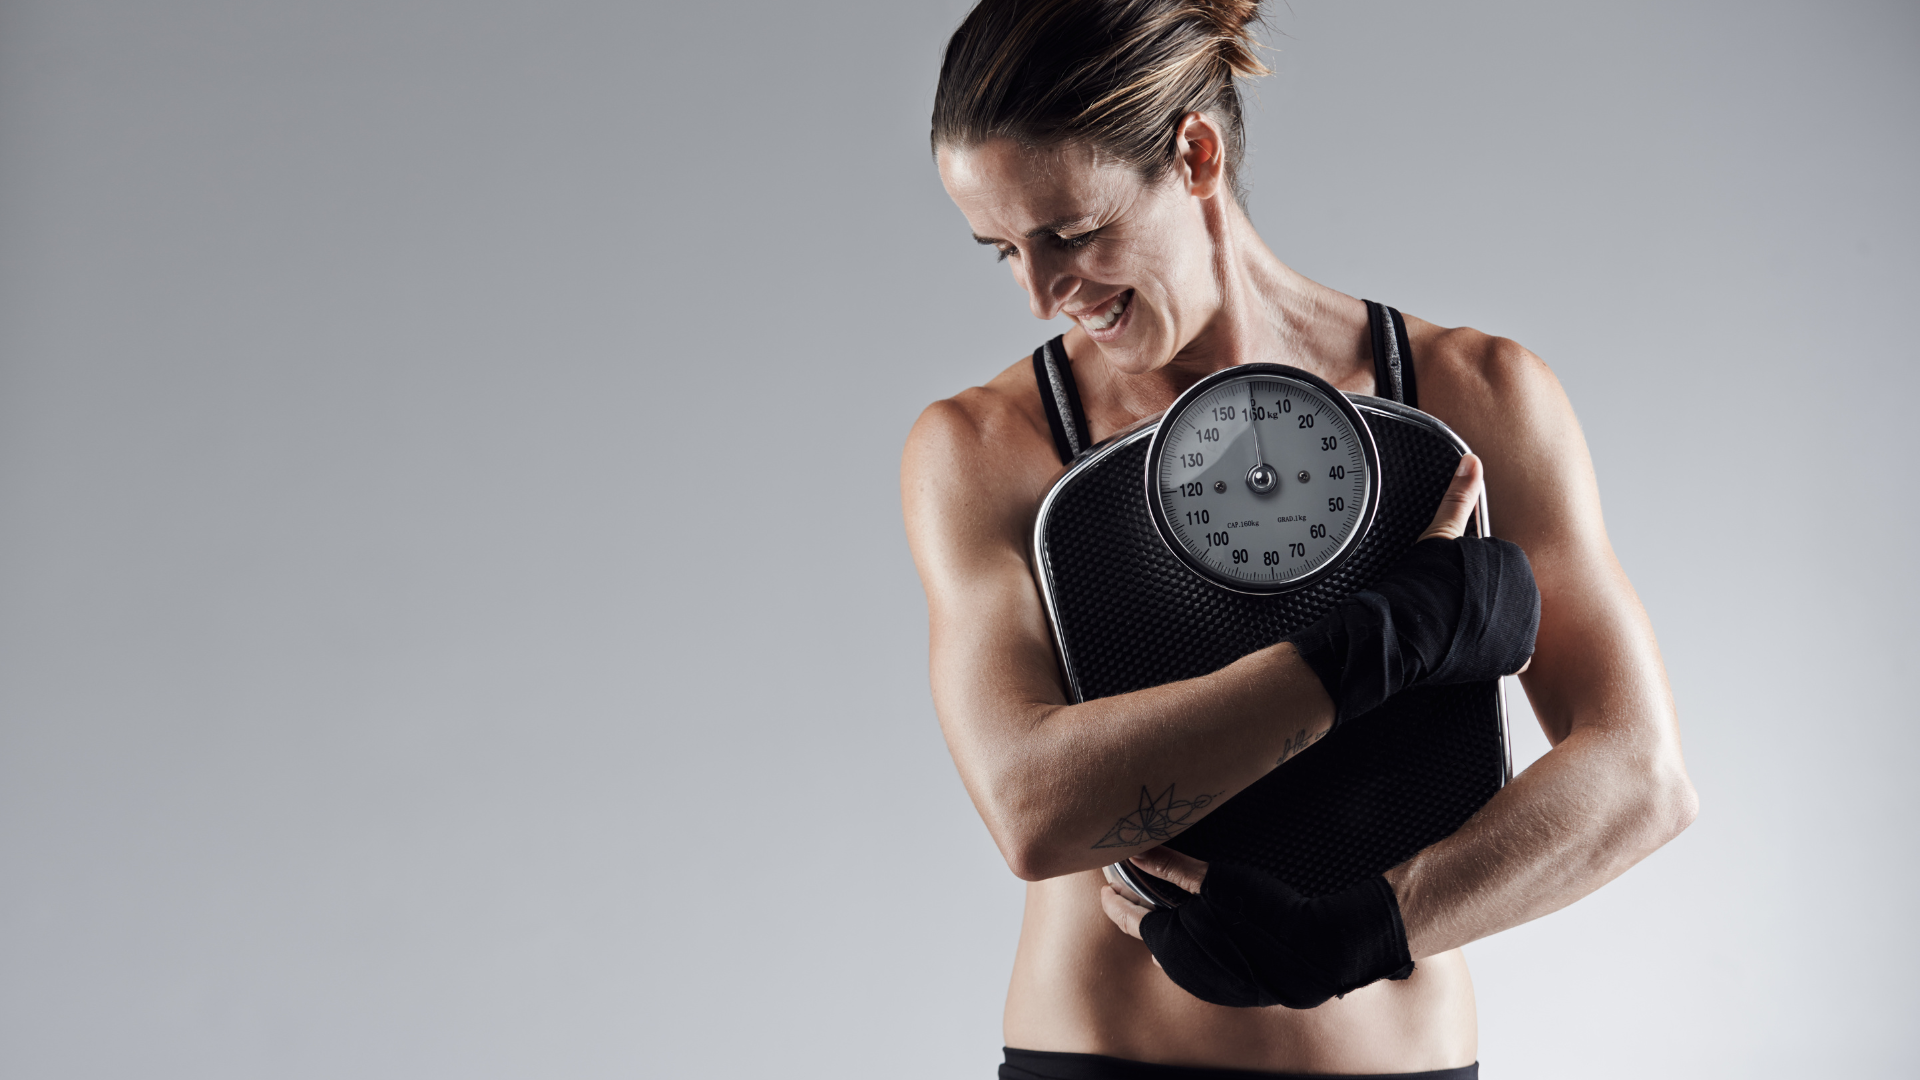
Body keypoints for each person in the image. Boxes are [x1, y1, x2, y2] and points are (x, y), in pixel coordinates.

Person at [899, 1, 1698, 1076]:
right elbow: (1033, 809)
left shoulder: (1475, 401)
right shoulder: (993, 446)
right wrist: (1373, 644)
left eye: (1070, 235)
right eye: (1001, 250)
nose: (1042, 294)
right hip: (1109, 1058)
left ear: (1193, 153)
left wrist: (1368, 931)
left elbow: (1639, 777)